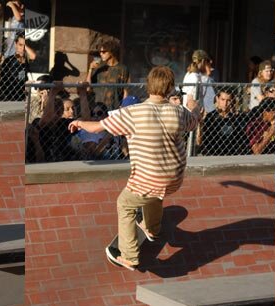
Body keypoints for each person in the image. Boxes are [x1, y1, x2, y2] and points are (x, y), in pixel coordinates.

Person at [69, 65, 201, 270]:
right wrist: (193, 106)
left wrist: (79, 122)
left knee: (125, 204)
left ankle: (129, 256)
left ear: (148, 86)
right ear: (170, 89)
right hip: (175, 177)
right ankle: (152, 228)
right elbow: (194, 120)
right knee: (155, 193)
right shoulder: (178, 112)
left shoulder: (132, 113)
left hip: (148, 178)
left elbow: (96, 127)